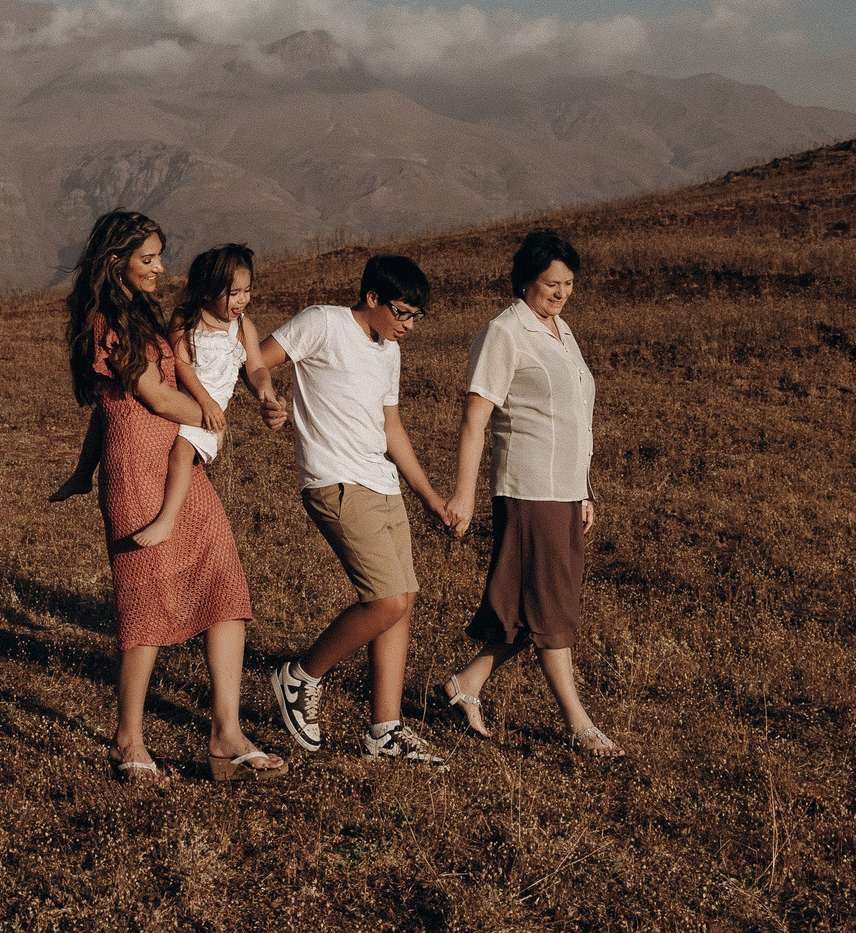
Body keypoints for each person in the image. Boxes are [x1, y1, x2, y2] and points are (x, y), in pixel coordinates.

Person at [62, 210, 284, 784]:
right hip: (138, 467)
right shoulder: (106, 323)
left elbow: (118, 409)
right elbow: (149, 399)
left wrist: (82, 470)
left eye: (159, 256)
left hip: (177, 462)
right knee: (144, 599)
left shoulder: (145, 314)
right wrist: (213, 417)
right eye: (147, 259)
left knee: (224, 580)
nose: (161, 268)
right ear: (116, 264)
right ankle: (128, 738)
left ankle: (226, 733)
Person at [255, 254, 463, 767]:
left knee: (404, 599)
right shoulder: (321, 322)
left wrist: (431, 498)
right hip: (335, 482)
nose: (408, 326)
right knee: (387, 599)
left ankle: (384, 731)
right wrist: (265, 395)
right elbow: (256, 359)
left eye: (417, 316)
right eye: (402, 313)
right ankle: (299, 675)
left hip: (383, 484)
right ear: (372, 298)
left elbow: (391, 427)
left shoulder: (388, 347)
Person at [439, 230, 622, 757]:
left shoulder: (562, 331)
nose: (561, 293)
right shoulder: (505, 332)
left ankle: (464, 685)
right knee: (552, 604)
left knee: (524, 604)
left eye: (568, 283)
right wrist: (464, 496)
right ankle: (578, 721)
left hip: (564, 490)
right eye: (550, 283)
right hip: (528, 487)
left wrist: (584, 490)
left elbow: (574, 420)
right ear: (525, 281)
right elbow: (475, 418)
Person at [51, 243, 278, 548]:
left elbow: (256, 368)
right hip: (187, 398)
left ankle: (166, 520)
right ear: (207, 292)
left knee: (181, 452)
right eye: (234, 293)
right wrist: (203, 401)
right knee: (107, 409)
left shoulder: (243, 327)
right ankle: (82, 473)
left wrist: (265, 392)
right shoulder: (186, 319)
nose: (243, 299)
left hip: (204, 415)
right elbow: (182, 365)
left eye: (247, 291)